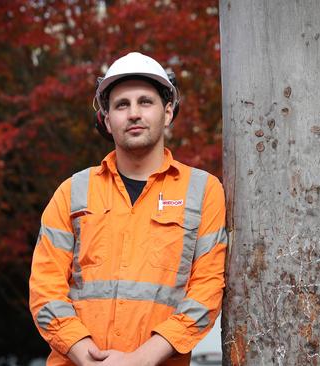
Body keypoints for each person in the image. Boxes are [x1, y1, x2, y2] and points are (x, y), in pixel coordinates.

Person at [29, 52, 227, 366]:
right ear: (107, 119)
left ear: (168, 112)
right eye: (122, 105)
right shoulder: (73, 192)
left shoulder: (203, 191)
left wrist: (141, 360)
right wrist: (85, 355)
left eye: (145, 102)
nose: (133, 113)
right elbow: (45, 287)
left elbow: (207, 289)